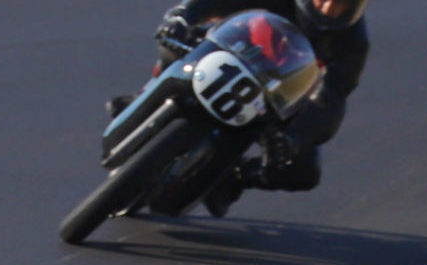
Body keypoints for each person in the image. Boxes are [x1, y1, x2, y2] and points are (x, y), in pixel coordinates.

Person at [120, 0, 370, 217]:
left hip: (276, 100)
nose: (328, 9)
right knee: (176, 42)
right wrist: (183, 15)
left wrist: (294, 138)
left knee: (304, 170)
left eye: (341, 4)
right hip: (229, 56)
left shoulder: (352, 44)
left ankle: (236, 177)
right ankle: (145, 97)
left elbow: (331, 100)